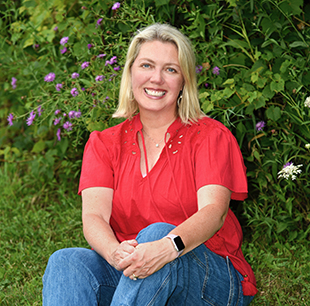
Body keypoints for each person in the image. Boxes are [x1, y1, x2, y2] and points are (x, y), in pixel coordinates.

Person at [43, 23, 258, 305]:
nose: (156, 78)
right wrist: (114, 252)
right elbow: (94, 217)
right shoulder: (104, 143)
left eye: (170, 69)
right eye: (146, 65)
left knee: (157, 233)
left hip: (207, 277)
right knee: (67, 261)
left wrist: (167, 246)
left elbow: (214, 212)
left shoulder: (210, 136)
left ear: (184, 81)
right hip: (134, 271)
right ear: (131, 73)